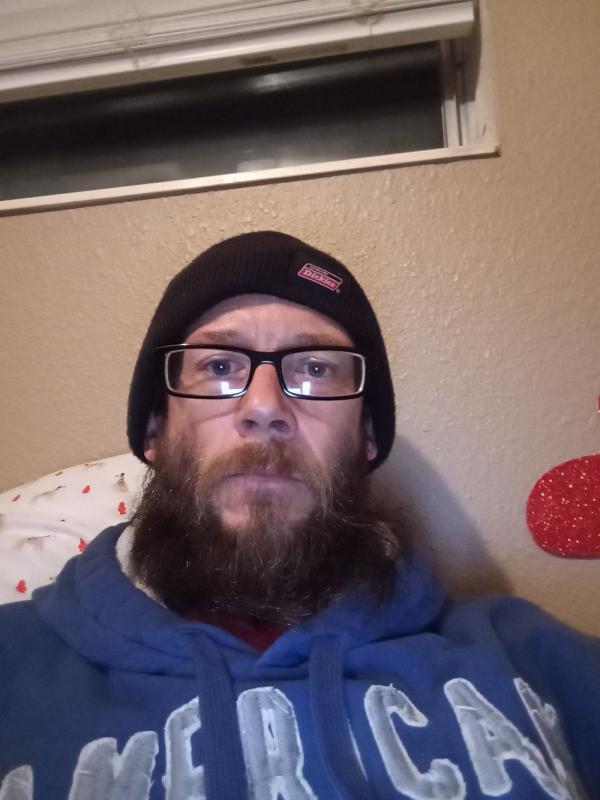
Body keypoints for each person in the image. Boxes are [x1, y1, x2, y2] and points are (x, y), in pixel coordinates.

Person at [0, 231, 598, 800]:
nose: (265, 407)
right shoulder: (12, 663)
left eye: (315, 369)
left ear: (366, 438)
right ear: (154, 430)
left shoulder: (535, 659)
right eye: (218, 367)